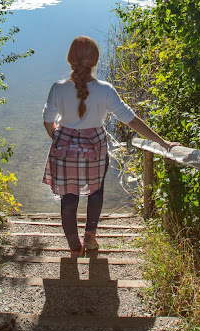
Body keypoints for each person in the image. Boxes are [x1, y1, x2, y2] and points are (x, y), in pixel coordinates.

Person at [42, 35, 179, 257]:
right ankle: (90, 236)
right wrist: (162, 142)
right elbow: (132, 120)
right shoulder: (105, 89)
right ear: (95, 61)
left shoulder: (57, 88)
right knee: (96, 191)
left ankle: (75, 248)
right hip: (95, 147)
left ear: (69, 59)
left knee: (69, 198)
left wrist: (58, 139)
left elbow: (48, 121)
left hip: (64, 148)